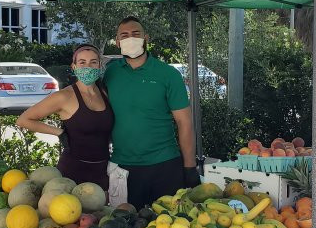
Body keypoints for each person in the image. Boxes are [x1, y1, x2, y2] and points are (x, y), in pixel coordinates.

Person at [103, 16, 199, 209]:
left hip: (165, 165)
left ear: (146, 38)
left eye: (136, 34)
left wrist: (189, 167)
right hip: (123, 168)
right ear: (118, 41)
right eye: (125, 35)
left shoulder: (168, 74)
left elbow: (185, 123)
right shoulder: (110, 73)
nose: (130, 38)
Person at [15, 44, 113, 189]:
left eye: (93, 62)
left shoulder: (104, 92)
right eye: (82, 62)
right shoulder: (64, 97)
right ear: (74, 66)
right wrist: (58, 132)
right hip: (72, 172)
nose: (88, 67)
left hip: (103, 170)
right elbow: (23, 120)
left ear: (100, 65)